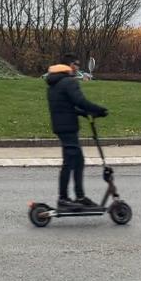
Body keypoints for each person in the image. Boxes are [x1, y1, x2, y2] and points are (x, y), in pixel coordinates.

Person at [45, 53, 108, 209]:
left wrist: (84, 113)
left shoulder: (54, 82)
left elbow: (65, 106)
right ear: (71, 65)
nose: (78, 68)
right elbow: (80, 101)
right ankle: (63, 199)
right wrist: (99, 110)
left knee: (78, 160)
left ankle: (79, 196)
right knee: (69, 161)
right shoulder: (69, 81)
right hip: (67, 127)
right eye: (77, 64)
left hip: (61, 126)